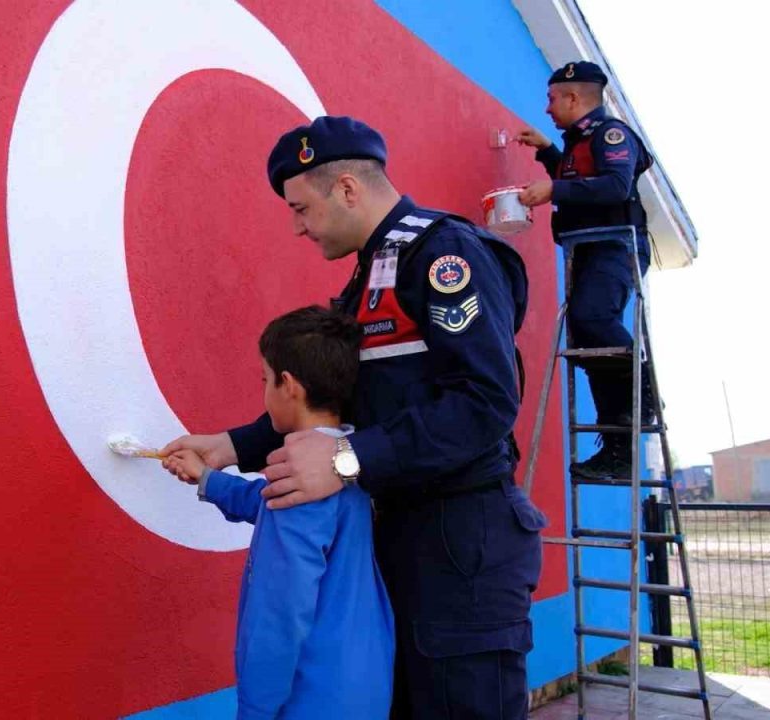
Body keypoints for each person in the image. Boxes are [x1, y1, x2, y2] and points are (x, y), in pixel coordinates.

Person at [163, 116, 546, 719]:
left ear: (346, 188)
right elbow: (348, 399)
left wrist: (347, 459)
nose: (297, 227)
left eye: (301, 208)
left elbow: (486, 402)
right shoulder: (371, 276)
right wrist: (230, 447)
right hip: (400, 538)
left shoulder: (443, 254)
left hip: (460, 544)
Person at [163, 305, 394, 720]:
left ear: (289, 386)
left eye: (265, 379)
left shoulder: (302, 483)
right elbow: (271, 504)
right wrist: (208, 480)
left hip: (308, 698)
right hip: (362, 686)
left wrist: (255, 709)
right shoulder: (343, 463)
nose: (264, 390)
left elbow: (280, 616)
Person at [516, 60, 656, 479]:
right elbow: (580, 176)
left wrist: (554, 189)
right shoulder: (579, 142)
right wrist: (548, 153)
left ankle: (645, 397)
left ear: (574, 97)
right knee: (587, 339)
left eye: (552, 99)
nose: (547, 108)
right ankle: (617, 449)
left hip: (616, 246)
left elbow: (615, 185)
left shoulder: (611, 134)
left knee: (592, 319)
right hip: (589, 251)